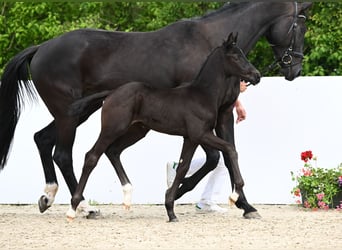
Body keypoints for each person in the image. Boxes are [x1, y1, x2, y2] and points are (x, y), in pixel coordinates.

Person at [166, 80, 247, 213]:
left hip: (211, 112)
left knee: (219, 160)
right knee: (221, 159)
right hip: (210, 114)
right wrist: (236, 90)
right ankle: (206, 200)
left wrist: (237, 102)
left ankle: (206, 200)